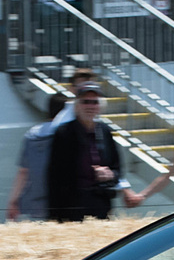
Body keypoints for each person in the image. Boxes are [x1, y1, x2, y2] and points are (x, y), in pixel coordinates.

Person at [46, 83, 145, 221]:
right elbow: (54, 175)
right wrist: (53, 214)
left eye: (94, 102)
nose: (90, 106)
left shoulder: (105, 131)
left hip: (100, 204)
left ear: (100, 106)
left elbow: (117, 168)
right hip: (72, 205)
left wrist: (110, 174)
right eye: (85, 102)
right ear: (77, 105)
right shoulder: (63, 132)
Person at [6, 90, 70, 222]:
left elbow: (23, 172)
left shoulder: (32, 134)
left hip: (35, 203)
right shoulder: (68, 134)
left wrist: (13, 201)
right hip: (62, 201)